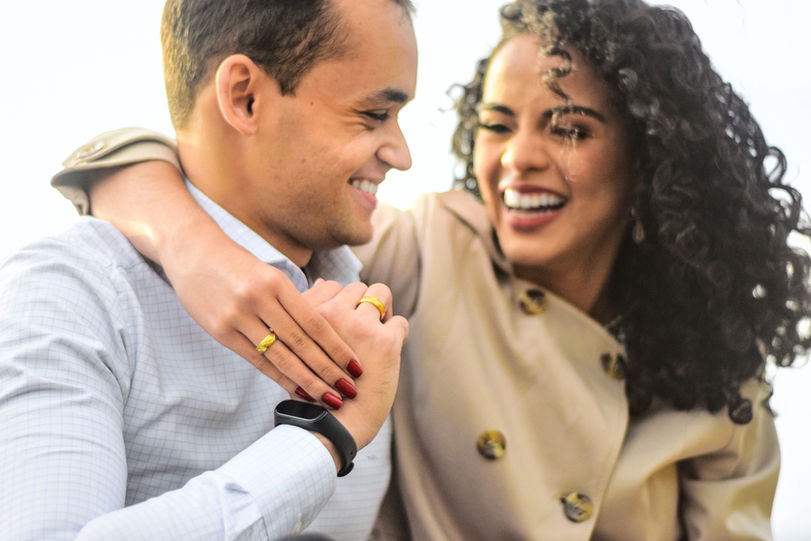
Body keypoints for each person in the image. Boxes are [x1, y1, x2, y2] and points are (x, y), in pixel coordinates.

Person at [51, 0, 810, 539]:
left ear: (649, 159)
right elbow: (220, 171)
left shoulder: (723, 381)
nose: (516, 159)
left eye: (568, 127)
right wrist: (191, 245)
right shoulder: (423, 252)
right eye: (496, 125)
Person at [0, 0, 415, 539]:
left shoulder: (388, 270)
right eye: (374, 115)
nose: (403, 155)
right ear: (244, 98)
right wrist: (322, 440)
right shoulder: (72, 294)